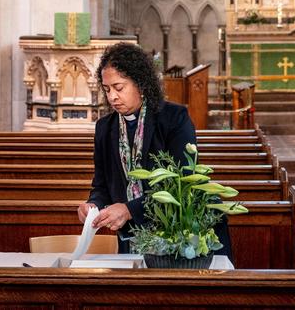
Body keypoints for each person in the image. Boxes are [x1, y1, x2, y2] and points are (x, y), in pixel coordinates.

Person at [77, 42, 231, 258]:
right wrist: (93, 204)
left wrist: (130, 209)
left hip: (180, 236)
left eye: (119, 88)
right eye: (107, 89)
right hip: (131, 240)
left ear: (140, 83)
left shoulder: (174, 119)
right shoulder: (105, 128)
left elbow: (182, 184)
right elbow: (102, 184)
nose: (112, 96)